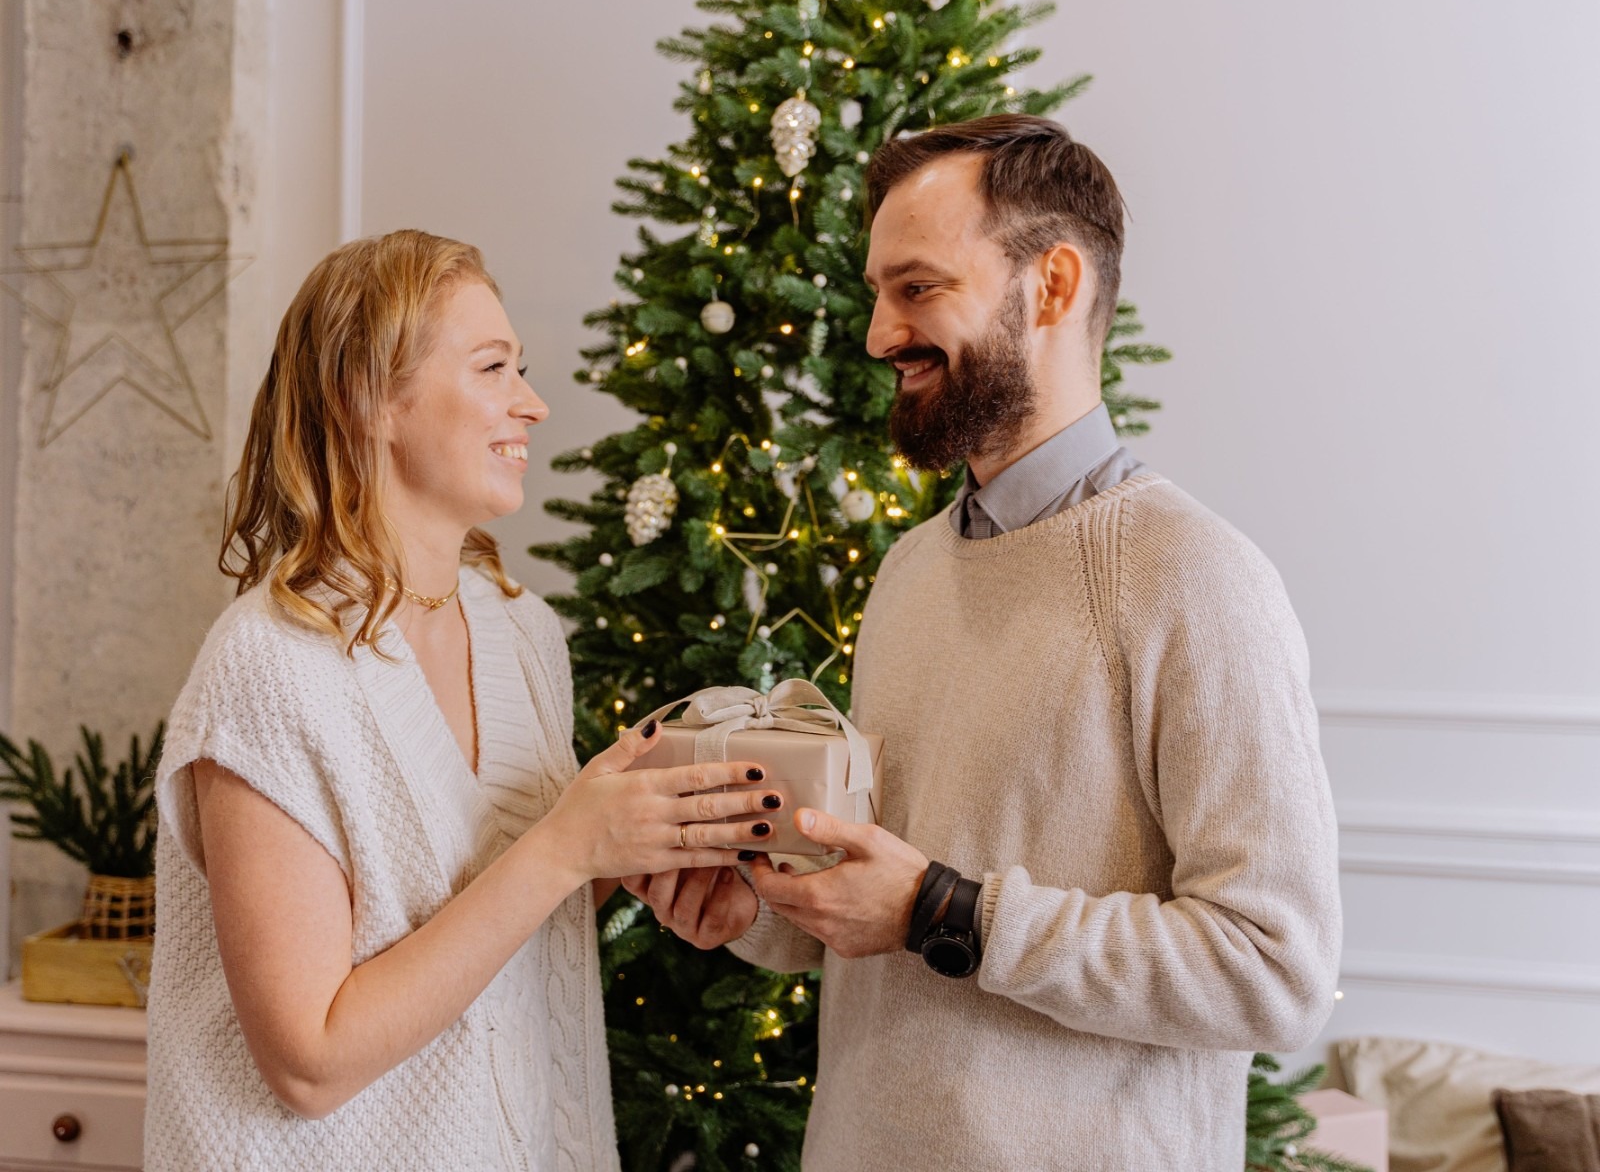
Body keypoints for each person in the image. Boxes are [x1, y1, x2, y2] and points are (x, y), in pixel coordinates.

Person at [624, 116, 1343, 1168]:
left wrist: (941, 911)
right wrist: (757, 912)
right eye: (877, 290)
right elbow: (887, 893)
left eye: (917, 289)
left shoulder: (1195, 579)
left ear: (1051, 287)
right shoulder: (912, 570)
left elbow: (1272, 973)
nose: (877, 333)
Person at [144, 230, 787, 1171]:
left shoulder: (521, 630)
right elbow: (310, 1062)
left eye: (520, 369)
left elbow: (503, 897)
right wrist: (569, 844)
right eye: (493, 368)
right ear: (366, 398)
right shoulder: (269, 666)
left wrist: (639, 848)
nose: (532, 403)